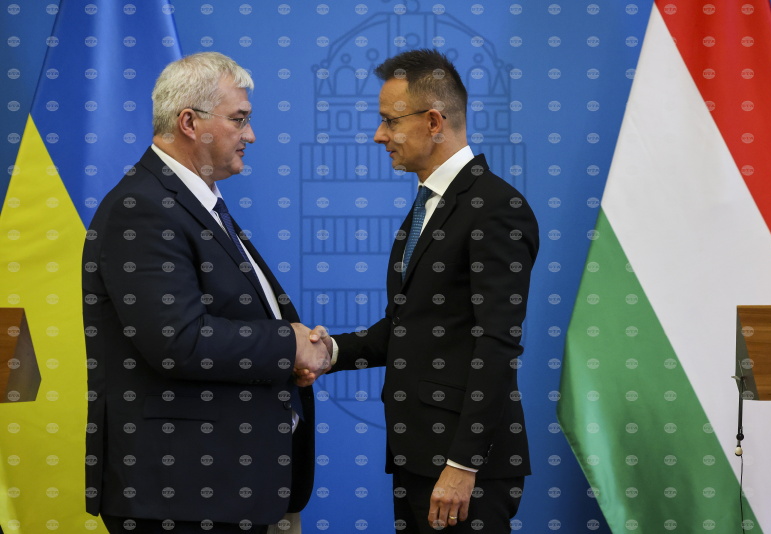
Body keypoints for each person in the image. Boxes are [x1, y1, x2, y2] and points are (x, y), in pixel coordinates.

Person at [82, 52, 329, 534]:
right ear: (190, 122)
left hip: (228, 490)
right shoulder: (142, 208)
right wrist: (289, 344)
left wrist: (285, 356)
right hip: (183, 496)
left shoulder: (192, 203)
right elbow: (179, 341)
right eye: (239, 119)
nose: (250, 135)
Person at [321, 49, 539, 533]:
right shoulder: (430, 206)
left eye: (389, 121)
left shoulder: (495, 208)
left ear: (434, 121)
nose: (379, 135)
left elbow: (497, 343)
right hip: (418, 457)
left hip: (464, 469)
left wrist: (463, 464)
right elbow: (410, 327)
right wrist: (327, 351)